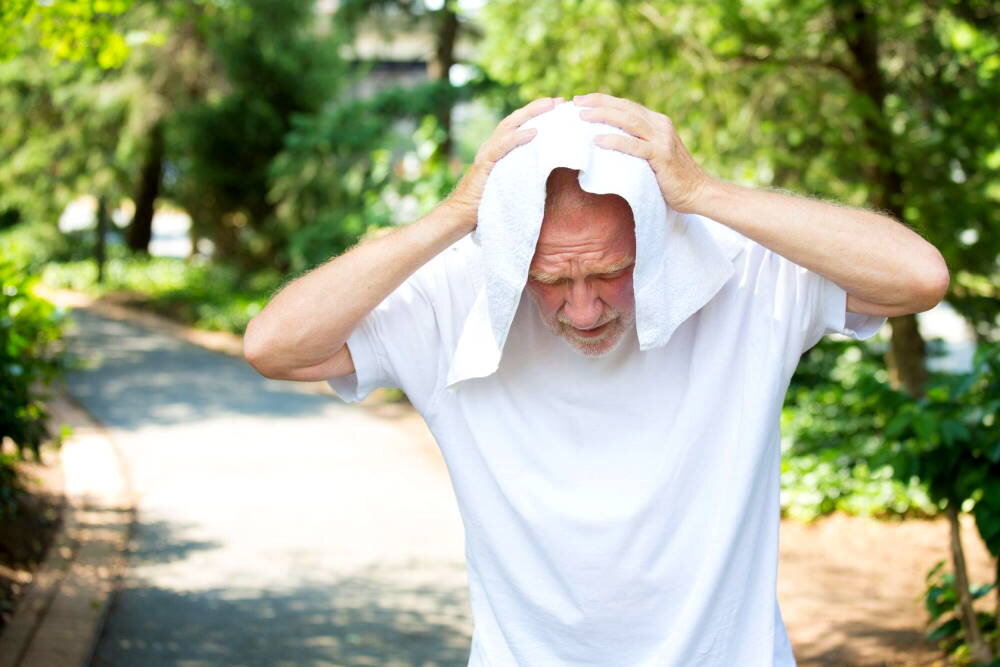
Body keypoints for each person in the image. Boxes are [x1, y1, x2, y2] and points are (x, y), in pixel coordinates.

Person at [243, 94, 949, 666]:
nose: (583, 309)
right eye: (551, 279)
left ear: (656, 236)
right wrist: (456, 214)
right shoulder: (454, 300)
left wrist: (702, 191)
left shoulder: (740, 274)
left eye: (611, 271)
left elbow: (918, 277)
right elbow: (276, 345)